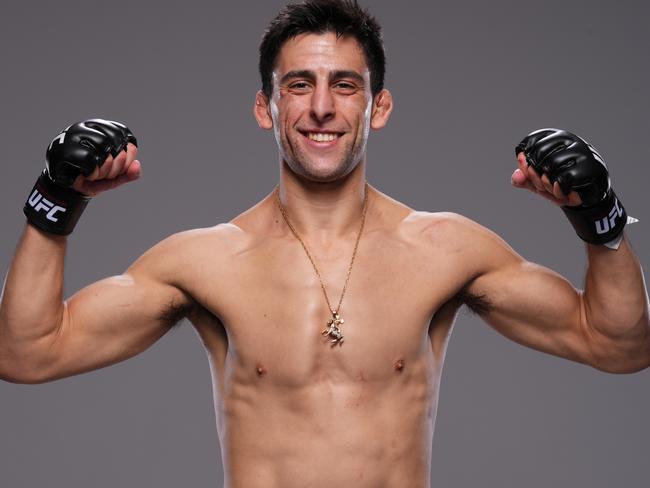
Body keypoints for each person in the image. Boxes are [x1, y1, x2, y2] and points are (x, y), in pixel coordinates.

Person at [1, 0, 648, 486]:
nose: (320, 108)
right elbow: (27, 354)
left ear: (379, 107)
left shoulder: (446, 249)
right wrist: (58, 201)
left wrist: (598, 216)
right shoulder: (204, 261)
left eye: (345, 84)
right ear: (266, 108)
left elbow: (620, 346)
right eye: (298, 85)